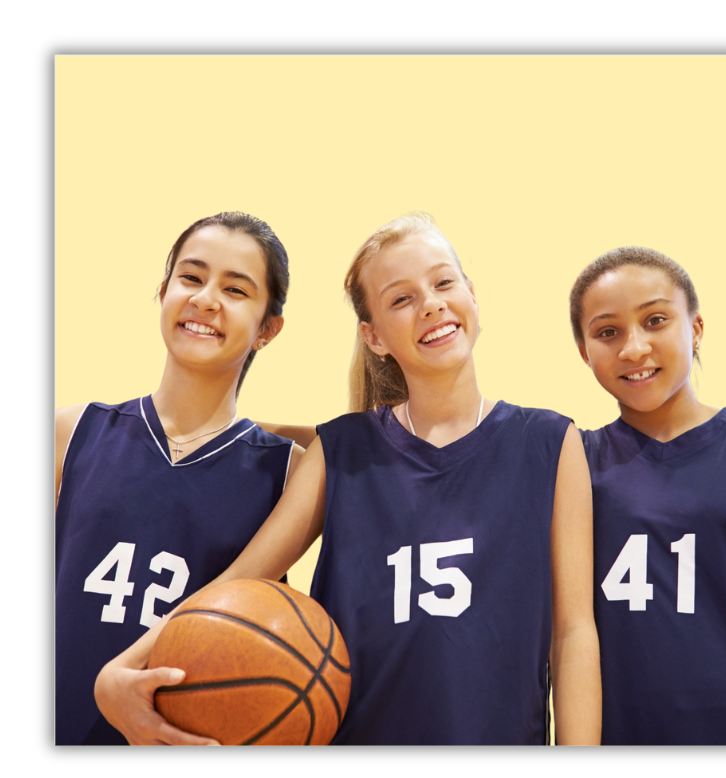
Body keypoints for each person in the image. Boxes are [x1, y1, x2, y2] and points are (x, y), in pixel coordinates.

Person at [96, 213, 601, 745]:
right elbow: (237, 582)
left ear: (473, 297)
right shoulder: (339, 451)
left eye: (443, 282)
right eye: (400, 299)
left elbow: (573, 634)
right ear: (374, 336)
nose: (430, 303)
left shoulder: (549, 441)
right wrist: (118, 672)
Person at [55, 211, 309, 745]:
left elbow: (377, 435)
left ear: (268, 328)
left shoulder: (289, 470)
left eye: (236, 289)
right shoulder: (71, 432)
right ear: (165, 290)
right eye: (191, 278)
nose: (205, 299)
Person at [570, 246, 726, 745]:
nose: (633, 348)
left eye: (656, 320)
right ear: (585, 352)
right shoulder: (572, 461)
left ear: (695, 328)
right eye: (608, 332)